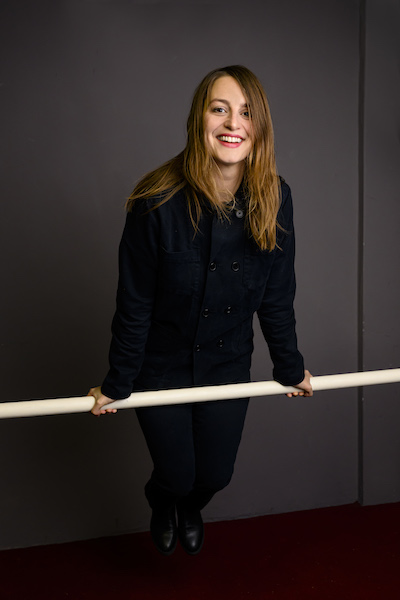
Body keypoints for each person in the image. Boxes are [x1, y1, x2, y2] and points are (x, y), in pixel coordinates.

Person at [89, 65, 312, 556]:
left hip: (227, 363)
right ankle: (163, 499)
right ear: (199, 119)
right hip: (160, 367)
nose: (233, 123)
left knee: (214, 475)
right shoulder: (154, 201)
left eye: (246, 112)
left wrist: (290, 367)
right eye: (220, 109)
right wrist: (117, 382)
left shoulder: (276, 198)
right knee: (175, 473)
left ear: (259, 126)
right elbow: (134, 303)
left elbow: (277, 294)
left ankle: (190, 505)